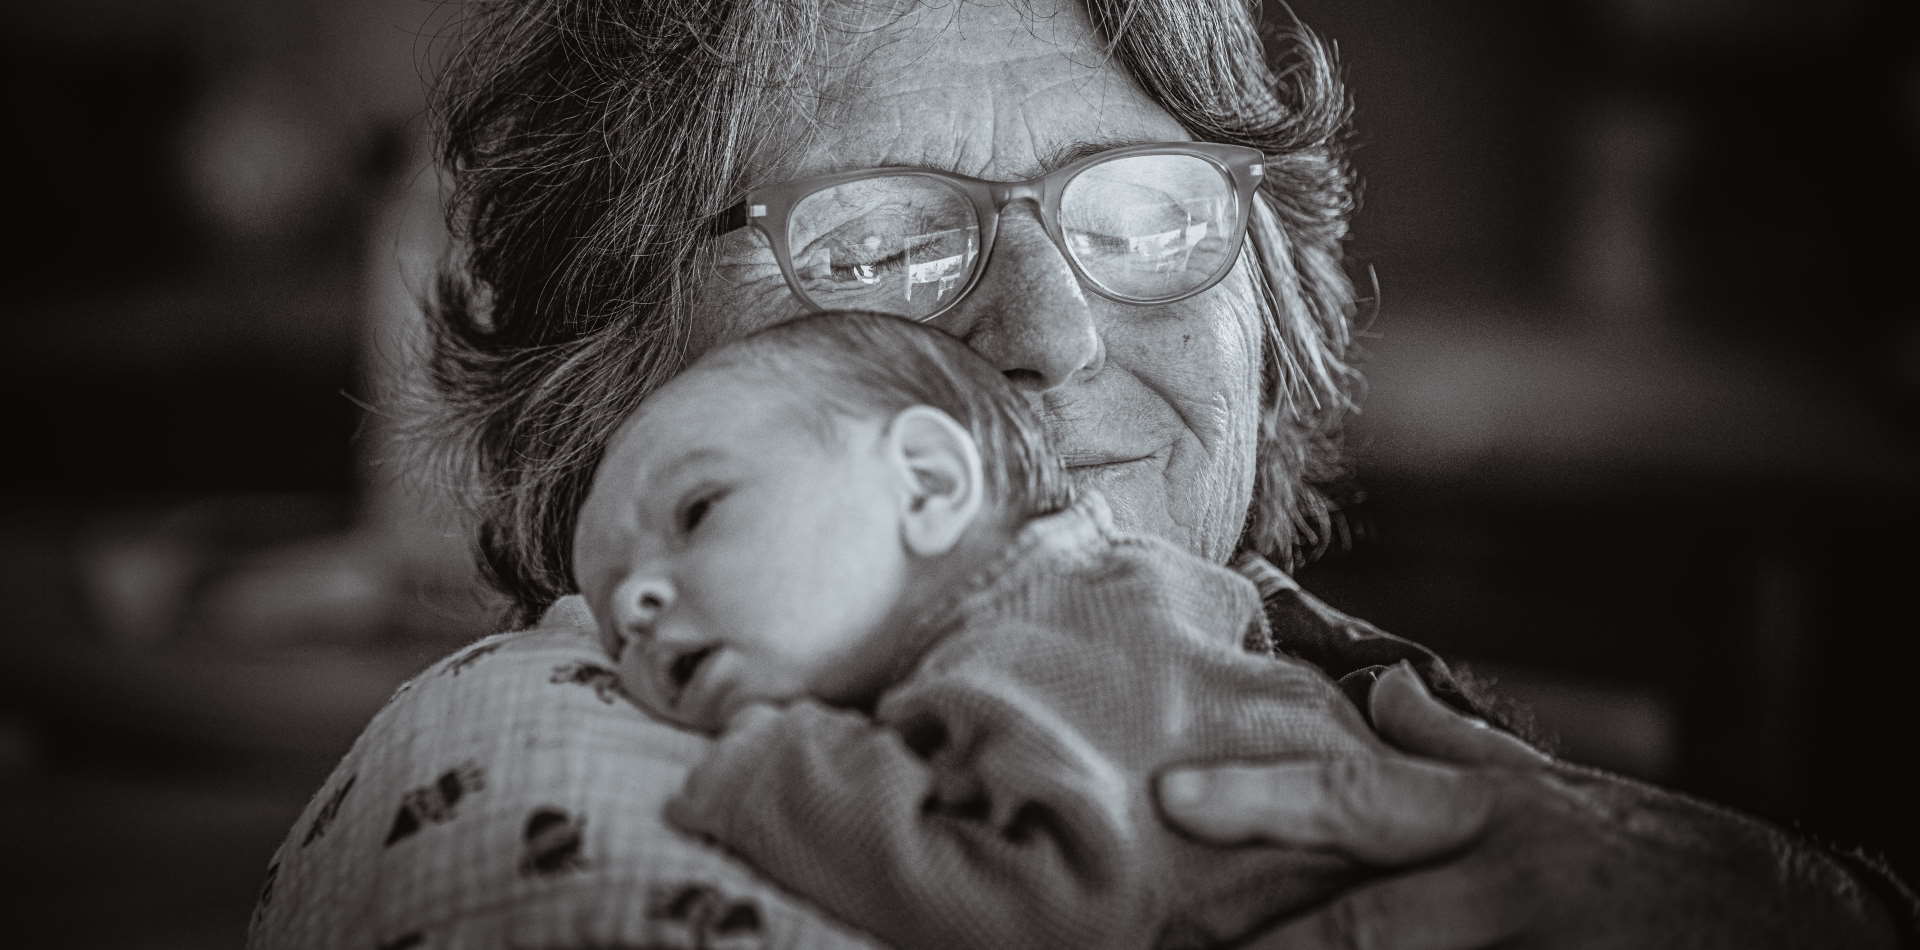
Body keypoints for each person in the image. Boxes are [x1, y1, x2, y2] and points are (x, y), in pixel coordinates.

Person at [252, 0, 1917, 946]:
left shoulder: (1281, 680)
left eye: (1146, 219)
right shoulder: (549, 766)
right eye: (887, 242)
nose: (1051, 332)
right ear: (613, 378)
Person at [575, 309, 1406, 948]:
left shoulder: (1080, 627)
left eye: (697, 512)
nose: (633, 605)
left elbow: (1077, 909)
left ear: (929, 484)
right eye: (610, 618)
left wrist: (780, 781)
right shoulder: (1043, 623)